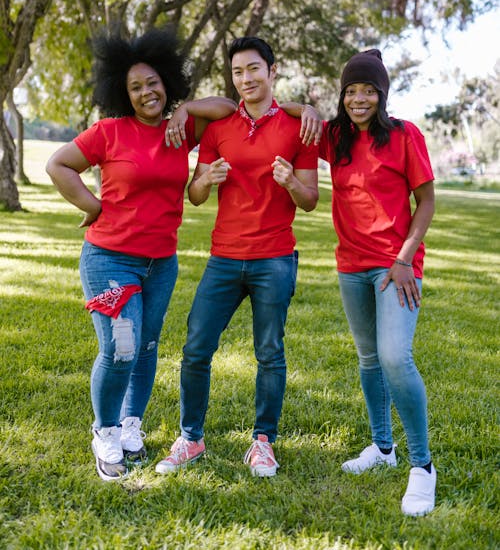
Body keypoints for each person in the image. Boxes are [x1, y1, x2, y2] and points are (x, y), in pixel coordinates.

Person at [46, 27, 237, 482]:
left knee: (147, 346)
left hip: (160, 263)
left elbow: (228, 108)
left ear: (166, 82)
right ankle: (105, 430)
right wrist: (93, 205)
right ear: (123, 94)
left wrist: (186, 109)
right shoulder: (109, 132)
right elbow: (59, 164)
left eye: (153, 82)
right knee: (121, 347)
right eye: (135, 87)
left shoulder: (181, 128)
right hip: (110, 258)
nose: (146, 92)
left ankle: (131, 424)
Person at [155, 36, 319, 477]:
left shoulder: (297, 125)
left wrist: (289, 182)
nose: (246, 79)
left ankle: (263, 442)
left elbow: (311, 201)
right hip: (224, 257)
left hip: (275, 258)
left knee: (270, 353)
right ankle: (191, 439)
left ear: (272, 70)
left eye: (253, 69)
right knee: (195, 349)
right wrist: (208, 178)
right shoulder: (220, 126)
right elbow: (194, 195)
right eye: (237, 72)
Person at [286, 48, 436, 516]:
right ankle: (382, 449)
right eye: (350, 90)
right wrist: (306, 108)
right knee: (369, 359)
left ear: (382, 94)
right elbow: (281, 110)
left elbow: (426, 203)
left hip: (396, 266)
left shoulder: (405, 135)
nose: (359, 99)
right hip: (351, 265)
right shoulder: (335, 136)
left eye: (368, 90)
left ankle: (422, 466)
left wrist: (405, 260)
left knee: (395, 357)